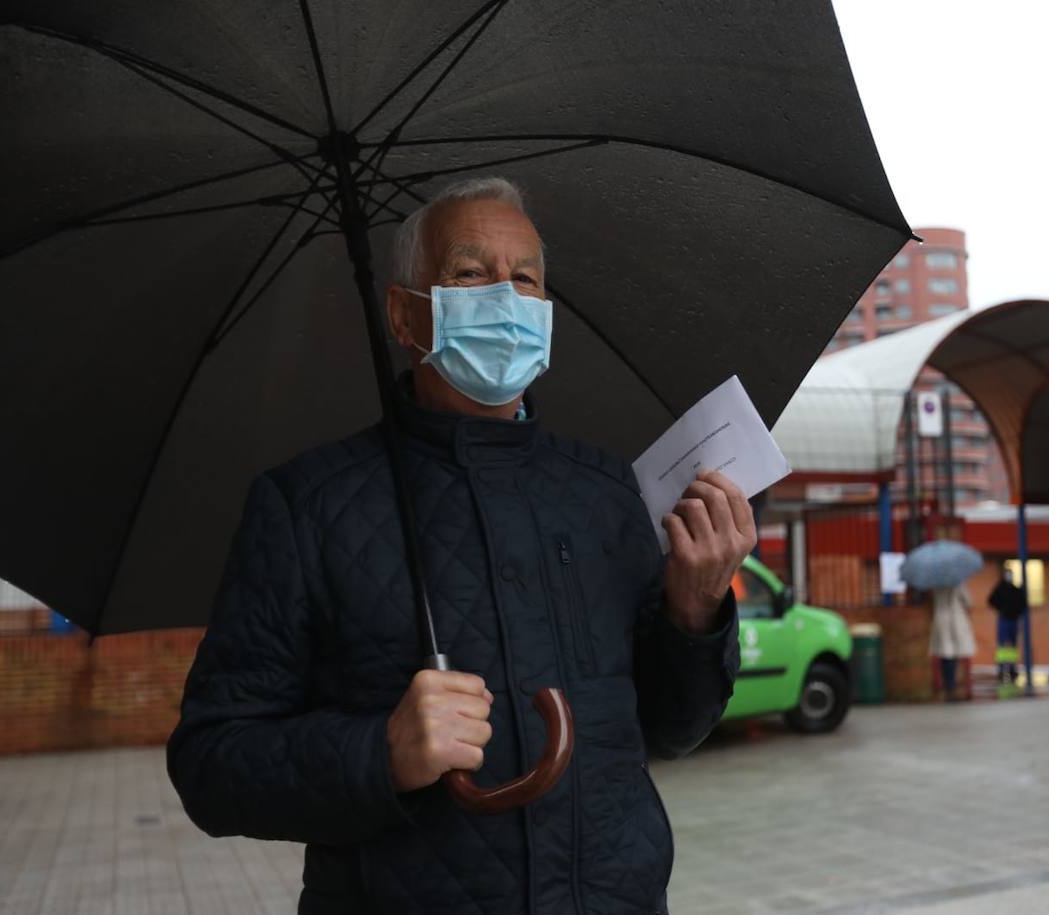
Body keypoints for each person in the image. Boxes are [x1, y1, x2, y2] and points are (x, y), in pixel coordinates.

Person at [167, 178, 756, 914]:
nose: (505, 297)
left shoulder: (604, 491)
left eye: (526, 279)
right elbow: (211, 764)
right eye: (471, 273)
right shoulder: (304, 506)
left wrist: (696, 610)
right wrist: (379, 752)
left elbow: (674, 727)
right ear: (403, 313)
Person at [929, 582, 976, 701]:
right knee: (957, 653)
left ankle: (949, 684)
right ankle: (956, 686)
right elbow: (969, 602)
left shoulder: (935, 585)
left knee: (945, 653)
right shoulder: (958, 583)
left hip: (941, 619)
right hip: (956, 619)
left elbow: (932, 601)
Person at [987, 569, 1027, 684]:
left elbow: (1022, 604)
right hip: (1004, 619)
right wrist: (1002, 608)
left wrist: (1016, 613)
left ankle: (1012, 667)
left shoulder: (1015, 590)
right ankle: (1002, 668)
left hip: (1013, 619)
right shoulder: (1000, 589)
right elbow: (991, 601)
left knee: (1013, 645)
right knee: (1002, 645)